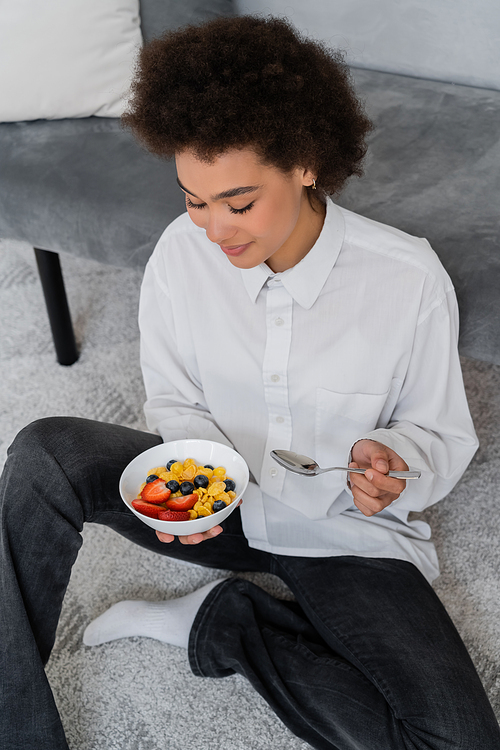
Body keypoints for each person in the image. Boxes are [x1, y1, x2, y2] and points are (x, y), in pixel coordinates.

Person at [1, 15, 499, 750]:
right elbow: (174, 397)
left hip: (345, 533)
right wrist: (202, 479)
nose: (214, 230)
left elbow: (440, 433)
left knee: (461, 742)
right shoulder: (180, 256)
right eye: (193, 201)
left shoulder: (407, 279)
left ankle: (225, 625)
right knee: (44, 452)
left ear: (303, 163)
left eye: (238, 204)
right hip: (217, 505)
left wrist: (396, 465)